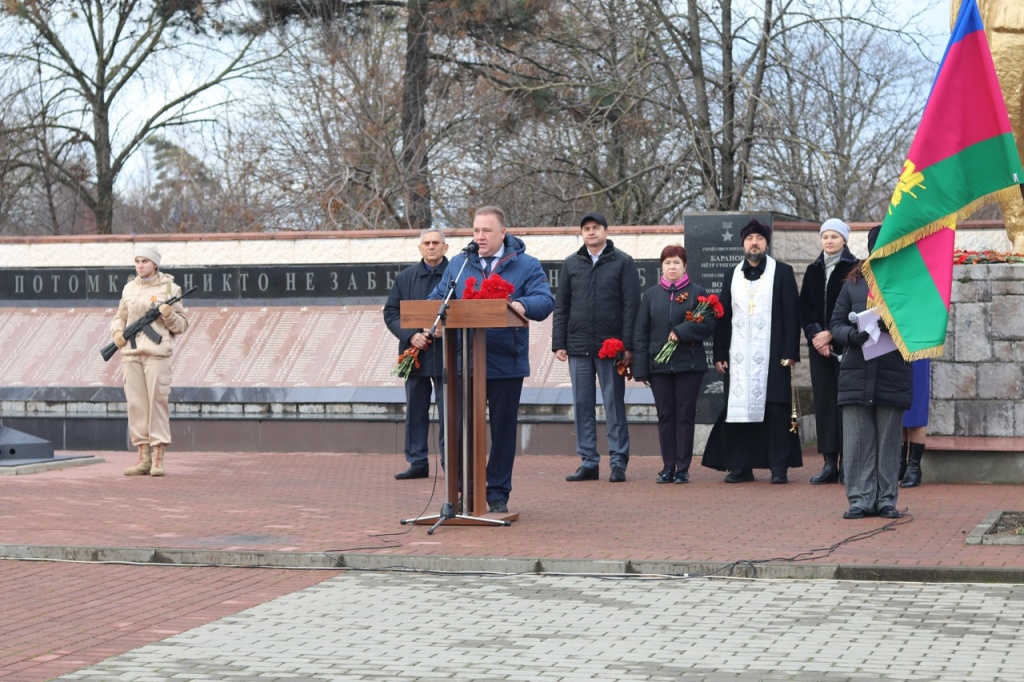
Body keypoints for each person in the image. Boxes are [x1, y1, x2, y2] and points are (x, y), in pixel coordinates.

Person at [428, 206, 554, 513]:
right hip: (463, 361)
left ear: (502, 233)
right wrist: (435, 319)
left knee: (502, 431)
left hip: (504, 363)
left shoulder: (526, 265)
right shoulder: (459, 263)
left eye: (486, 231)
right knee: (456, 429)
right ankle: (461, 489)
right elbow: (437, 299)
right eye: (475, 230)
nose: (479, 237)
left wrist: (521, 304)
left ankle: (497, 492)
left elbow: (545, 300)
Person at [701, 219, 802, 484]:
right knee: (740, 412)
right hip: (739, 357)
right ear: (743, 244)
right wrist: (720, 353)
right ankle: (741, 466)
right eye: (749, 238)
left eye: (759, 238)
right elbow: (723, 316)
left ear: (766, 243)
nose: (754, 243)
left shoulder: (782, 272)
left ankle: (779, 467)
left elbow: (792, 315)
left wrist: (791, 351)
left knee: (776, 410)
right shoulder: (731, 274)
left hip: (773, 355)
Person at [830, 225, 912, 519]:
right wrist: (851, 336)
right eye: (880, 245)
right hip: (856, 371)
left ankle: (886, 499)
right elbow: (836, 323)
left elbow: (917, 325)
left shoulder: (908, 281)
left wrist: (895, 327)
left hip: (892, 370)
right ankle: (860, 499)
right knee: (857, 439)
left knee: (889, 440)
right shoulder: (853, 282)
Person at [552, 211, 640, 483]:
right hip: (578, 346)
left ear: (605, 231)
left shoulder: (623, 262)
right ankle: (588, 461)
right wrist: (559, 343)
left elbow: (631, 306)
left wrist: (627, 345)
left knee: (613, 404)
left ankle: (618, 461)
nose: (591, 232)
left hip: (610, 347)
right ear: (582, 233)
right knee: (582, 404)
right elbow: (562, 305)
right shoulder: (571, 264)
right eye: (586, 228)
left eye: (596, 228)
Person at [633, 245, 716, 484]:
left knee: (684, 415)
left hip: (688, 365)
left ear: (685, 266)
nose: (672, 267)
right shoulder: (650, 295)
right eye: (668, 263)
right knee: (665, 416)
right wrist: (641, 368)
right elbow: (641, 331)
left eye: (677, 263)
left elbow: (708, 326)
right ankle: (667, 466)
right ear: (662, 266)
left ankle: (682, 467)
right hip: (659, 366)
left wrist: (681, 331)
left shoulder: (697, 293)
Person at [111, 245, 189, 477]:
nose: (140, 265)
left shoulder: (169, 288)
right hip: (131, 355)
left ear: (155, 264)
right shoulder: (129, 288)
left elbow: (182, 324)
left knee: (157, 404)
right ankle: (143, 457)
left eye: (145, 261)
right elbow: (120, 317)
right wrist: (116, 332)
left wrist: (168, 314)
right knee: (136, 405)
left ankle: (158, 458)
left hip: (157, 354)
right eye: (137, 261)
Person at [383, 229, 450, 480]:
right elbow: (391, 313)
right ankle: (417, 461)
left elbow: (467, 308)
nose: (431, 247)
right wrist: (411, 335)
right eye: (427, 243)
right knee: (415, 409)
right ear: (420, 248)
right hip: (416, 355)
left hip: (447, 354)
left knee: (449, 411)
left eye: (436, 243)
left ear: (445, 247)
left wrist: (449, 329)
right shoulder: (405, 277)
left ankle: (450, 462)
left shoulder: (458, 275)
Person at [799, 218, 859, 484]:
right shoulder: (813, 269)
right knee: (824, 402)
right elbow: (805, 307)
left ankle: (848, 462)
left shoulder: (854, 269)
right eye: (825, 236)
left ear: (844, 240)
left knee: (844, 403)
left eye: (835, 236)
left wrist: (832, 334)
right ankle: (828, 462)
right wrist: (816, 335)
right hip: (819, 348)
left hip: (846, 345)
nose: (829, 241)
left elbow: (856, 307)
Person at [901, 360, 931, 487]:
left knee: (917, 403)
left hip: (918, 346)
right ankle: (900, 462)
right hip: (894, 345)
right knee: (897, 403)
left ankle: (914, 466)